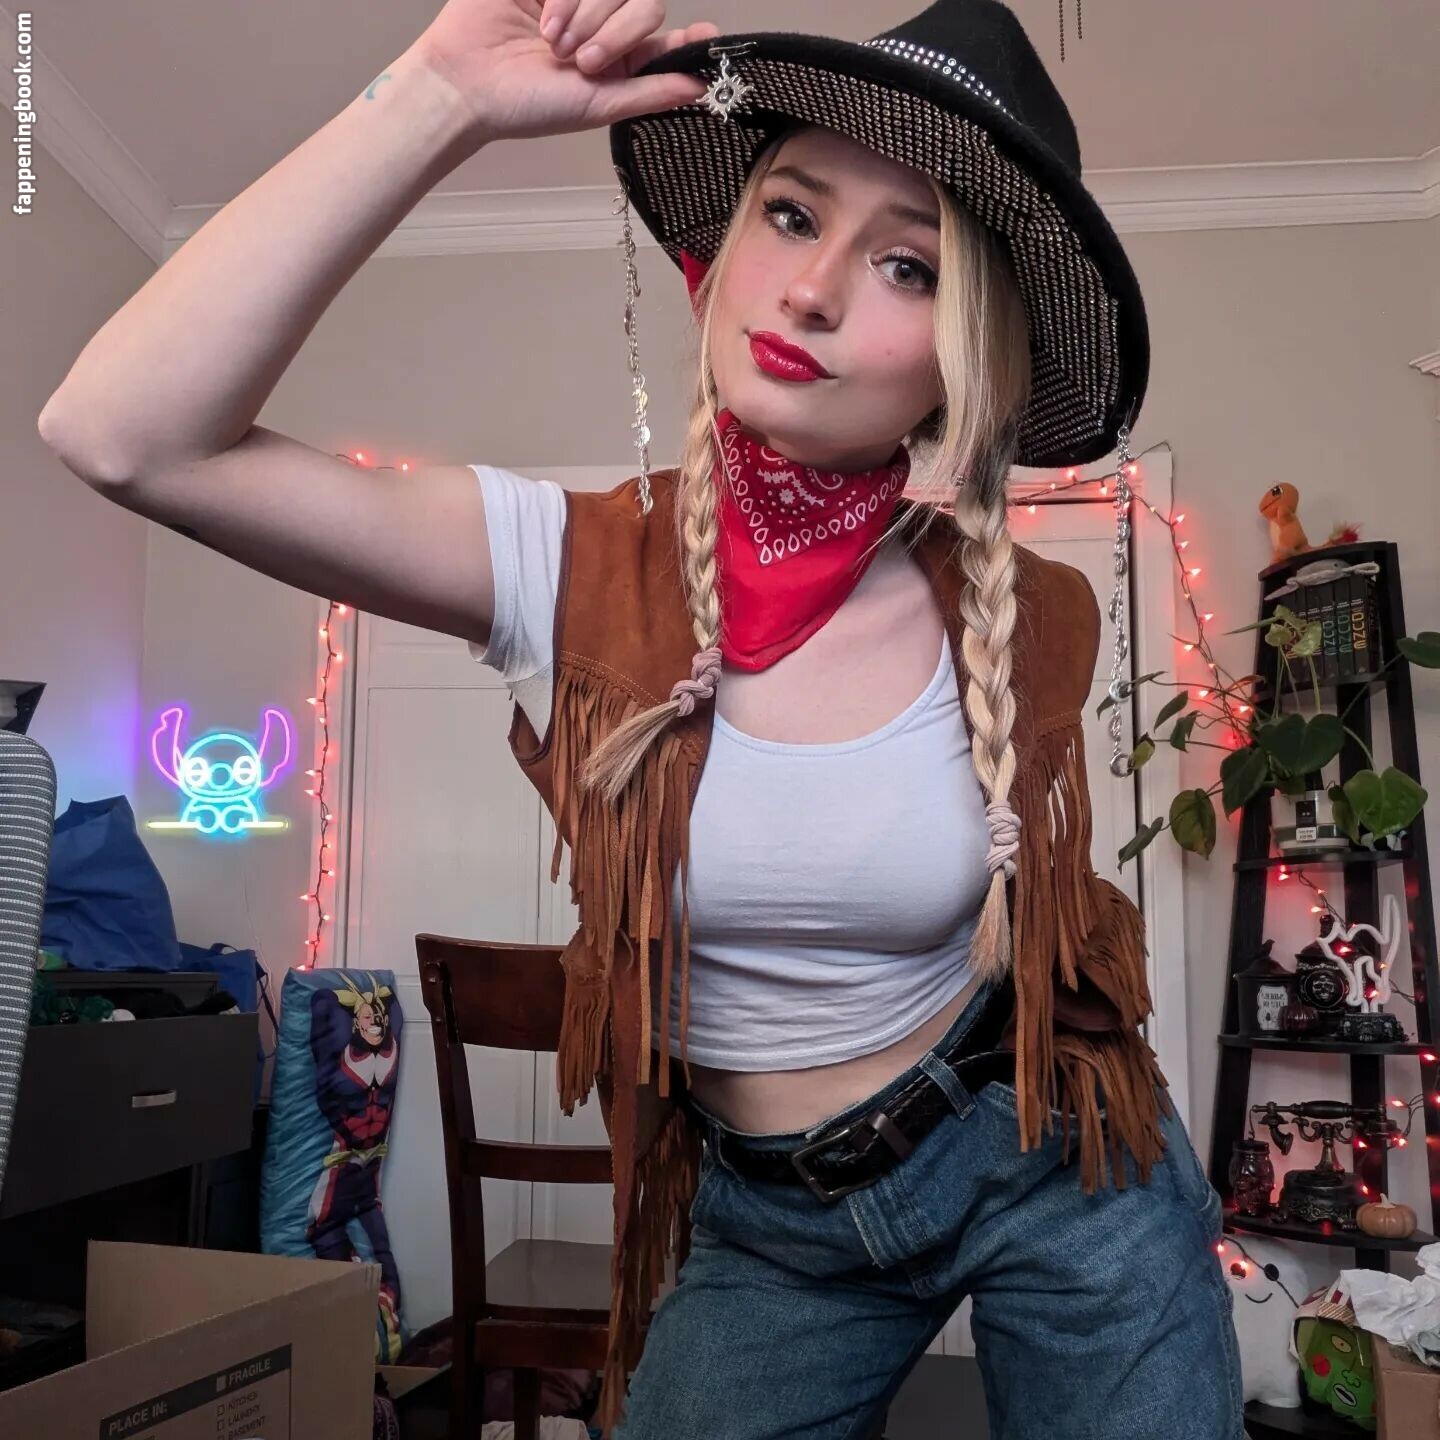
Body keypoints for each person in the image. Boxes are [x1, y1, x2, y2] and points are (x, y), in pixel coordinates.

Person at [37, 2, 1243, 1436]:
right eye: (791, 213)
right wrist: (438, 96)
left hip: (1058, 1155)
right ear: (721, 250)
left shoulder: (1035, 613)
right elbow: (122, 433)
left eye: (907, 264)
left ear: (964, 364)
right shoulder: (562, 560)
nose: (813, 290)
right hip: (774, 1225)